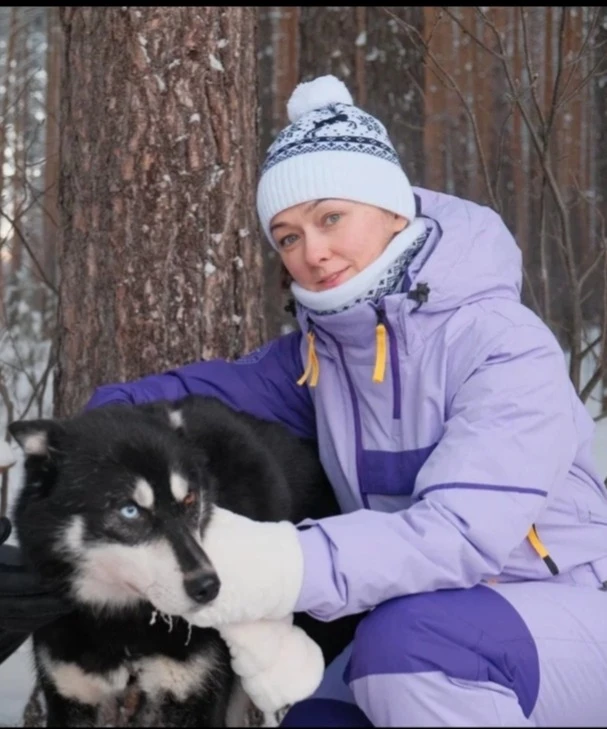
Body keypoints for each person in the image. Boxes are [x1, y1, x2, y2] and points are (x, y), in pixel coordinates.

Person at [4, 74, 607, 726]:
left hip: (564, 612)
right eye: (288, 236)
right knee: (309, 711)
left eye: (330, 217)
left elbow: (458, 534)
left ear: (392, 209)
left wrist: (281, 565)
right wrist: (71, 457)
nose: (312, 251)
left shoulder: (503, 345)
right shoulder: (319, 356)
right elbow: (171, 395)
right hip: (422, 624)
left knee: (410, 648)